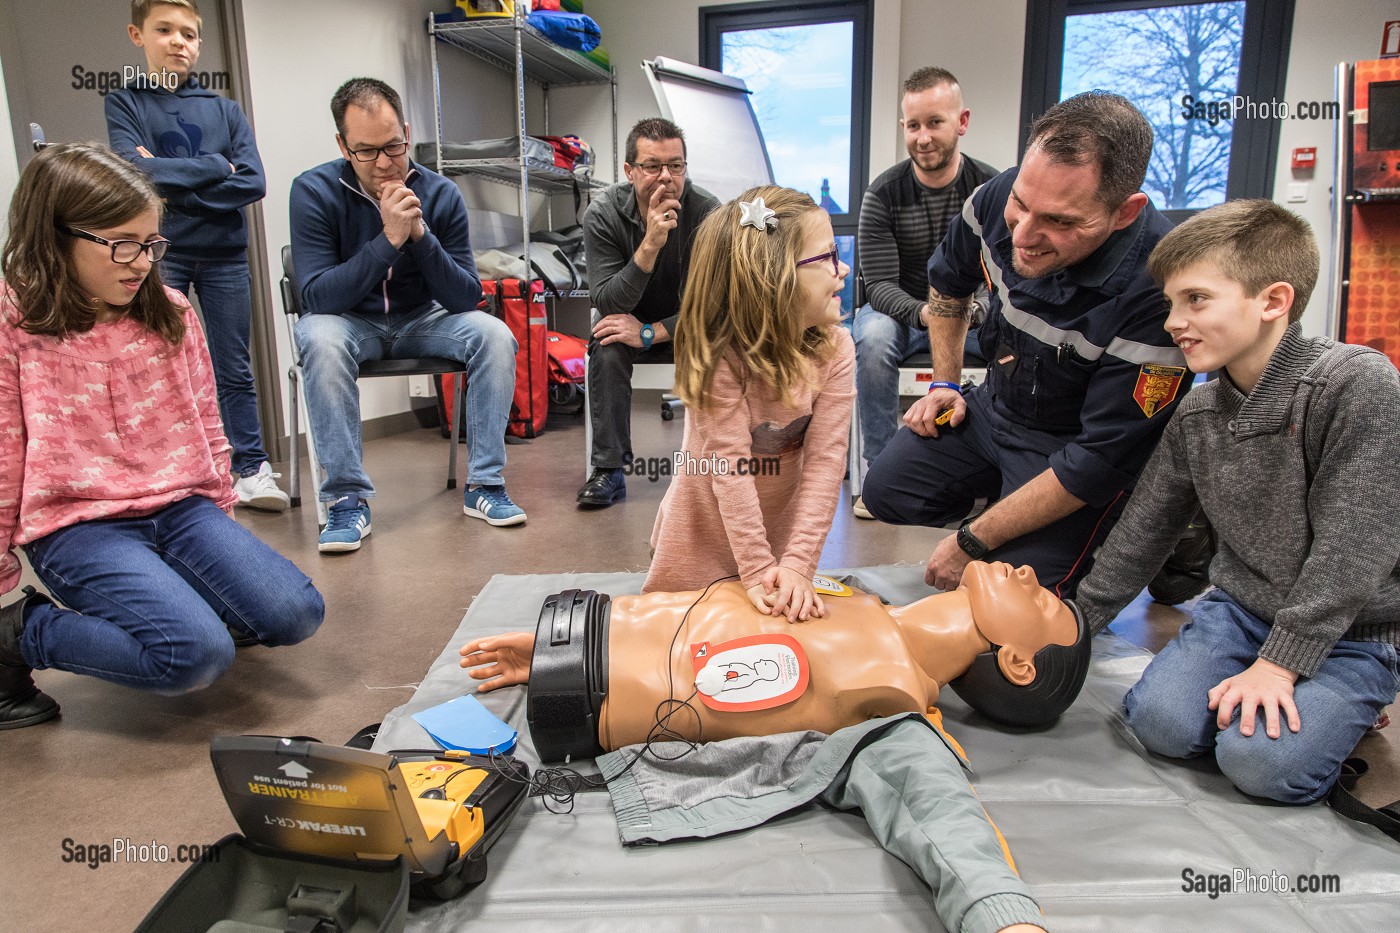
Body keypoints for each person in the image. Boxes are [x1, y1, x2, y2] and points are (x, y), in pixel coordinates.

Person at [460, 560, 1084, 933]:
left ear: (1019, 663)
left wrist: (1004, 916)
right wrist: (562, 640)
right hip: (587, 634)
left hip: (588, 699)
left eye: (1041, 600)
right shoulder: (858, 597)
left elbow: (941, 814)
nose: (1028, 574)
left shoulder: (892, 711)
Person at [1070, 200, 1400, 805]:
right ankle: (1298, 704)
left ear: (1273, 301)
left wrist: (1280, 666)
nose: (1173, 321)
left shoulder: (1358, 385)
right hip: (1243, 612)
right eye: (1171, 301)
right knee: (1160, 725)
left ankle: (1343, 703)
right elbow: (1144, 531)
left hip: (1353, 630)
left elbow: (1354, 550)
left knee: (1260, 765)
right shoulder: (1196, 413)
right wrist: (1073, 624)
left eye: (1195, 299)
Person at [0, 144, 325, 729]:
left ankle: (188, 601)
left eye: (151, 243)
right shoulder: (14, 323)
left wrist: (221, 526)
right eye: (121, 243)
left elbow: (206, 423)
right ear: (56, 236)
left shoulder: (171, 312)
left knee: (296, 613)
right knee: (192, 657)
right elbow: (3, 455)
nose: (141, 261)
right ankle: (23, 634)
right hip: (79, 526)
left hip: (180, 509)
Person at [862, 91, 1188, 599]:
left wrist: (971, 541)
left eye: (1060, 221)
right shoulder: (996, 198)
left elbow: (1096, 462)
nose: (1025, 235)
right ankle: (1012, 511)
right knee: (886, 491)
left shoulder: (1156, 291)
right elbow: (948, 287)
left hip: (1072, 451)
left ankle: (1145, 531)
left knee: (1015, 608)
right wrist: (945, 383)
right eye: (1022, 204)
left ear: (1125, 213)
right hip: (997, 407)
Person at [290, 78, 524, 553]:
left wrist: (420, 236)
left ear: (407, 133)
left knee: (494, 335)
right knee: (318, 337)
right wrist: (387, 240)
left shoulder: (439, 193)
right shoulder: (313, 192)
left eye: (394, 146)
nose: (384, 163)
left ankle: (484, 485)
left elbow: (464, 297)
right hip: (350, 321)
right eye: (366, 151)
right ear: (342, 145)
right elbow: (317, 297)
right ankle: (347, 500)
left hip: (425, 319)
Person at [105, 0, 288, 512]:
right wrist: (214, 165)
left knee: (234, 366)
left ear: (200, 44)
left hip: (226, 257)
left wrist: (170, 179)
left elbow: (253, 181)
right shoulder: (125, 103)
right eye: (164, 30)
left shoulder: (225, 109)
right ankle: (168, 474)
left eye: (188, 33)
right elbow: (134, 173)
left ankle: (251, 470)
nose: (178, 41)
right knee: (156, 363)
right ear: (138, 35)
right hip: (163, 255)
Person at [644, 186, 854, 622]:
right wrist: (757, 569)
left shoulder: (837, 349)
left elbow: (825, 462)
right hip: (704, 527)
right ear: (774, 277)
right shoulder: (722, 359)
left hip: (773, 527)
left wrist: (797, 562)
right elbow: (729, 471)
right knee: (682, 635)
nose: (844, 269)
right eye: (828, 258)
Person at [851, 67, 995, 518]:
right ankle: (879, 473)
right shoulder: (883, 193)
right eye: (913, 125)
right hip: (903, 315)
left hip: (972, 315)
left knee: (1018, 336)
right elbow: (878, 286)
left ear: (962, 121)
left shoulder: (991, 191)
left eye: (935, 122)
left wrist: (970, 313)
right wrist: (931, 314)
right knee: (871, 338)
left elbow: (1003, 279)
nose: (923, 136)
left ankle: (998, 469)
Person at [577, 118, 720, 508]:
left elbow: (713, 308)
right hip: (626, 324)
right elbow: (607, 301)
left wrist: (649, 332)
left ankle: (717, 466)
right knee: (606, 344)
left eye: (676, 166)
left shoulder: (708, 214)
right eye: (652, 166)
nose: (666, 177)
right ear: (629, 171)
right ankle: (609, 470)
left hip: (685, 328)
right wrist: (650, 246)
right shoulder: (603, 214)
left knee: (727, 343)